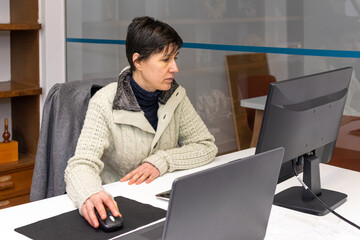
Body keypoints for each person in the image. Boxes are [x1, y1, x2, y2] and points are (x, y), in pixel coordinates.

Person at [64, 16, 218, 229]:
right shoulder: (105, 102)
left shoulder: (176, 96)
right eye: (165, 60)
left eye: (175, 58)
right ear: (138, 61)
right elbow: (81, 164)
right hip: (120, 206)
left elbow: (206, 146)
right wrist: (90, 194)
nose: (175, 68)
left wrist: (161, 161)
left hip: (163, 205)